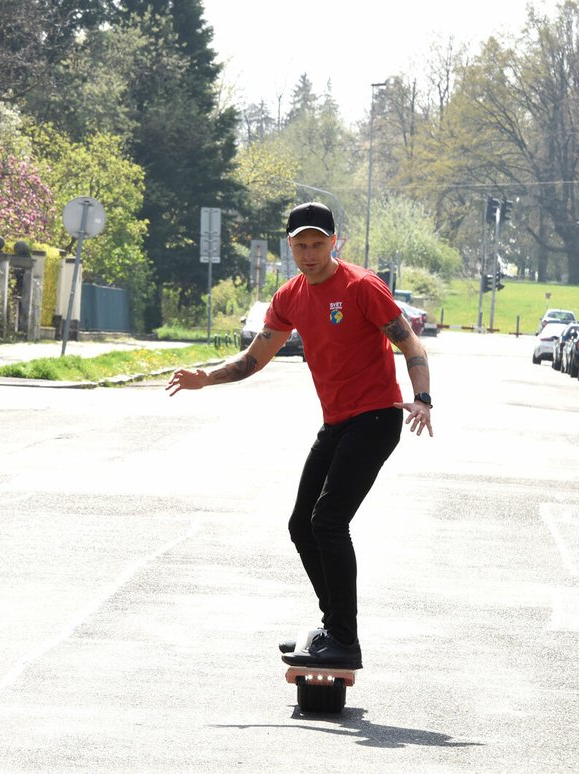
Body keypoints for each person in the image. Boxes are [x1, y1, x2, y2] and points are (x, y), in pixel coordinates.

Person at [166, 201, 432, 669]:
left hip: (376, 417)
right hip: (337, 422)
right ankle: (333, 627)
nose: (309, 254)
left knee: (329, 520)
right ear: (289, 246)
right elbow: (253, 359)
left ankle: (345, 639)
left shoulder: (361, 287)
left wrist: (422, 398)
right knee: (300, 524)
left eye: (318, 244)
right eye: (300, 245)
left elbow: (409, 341)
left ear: (335, 242)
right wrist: (205, 378)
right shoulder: (289, 297)